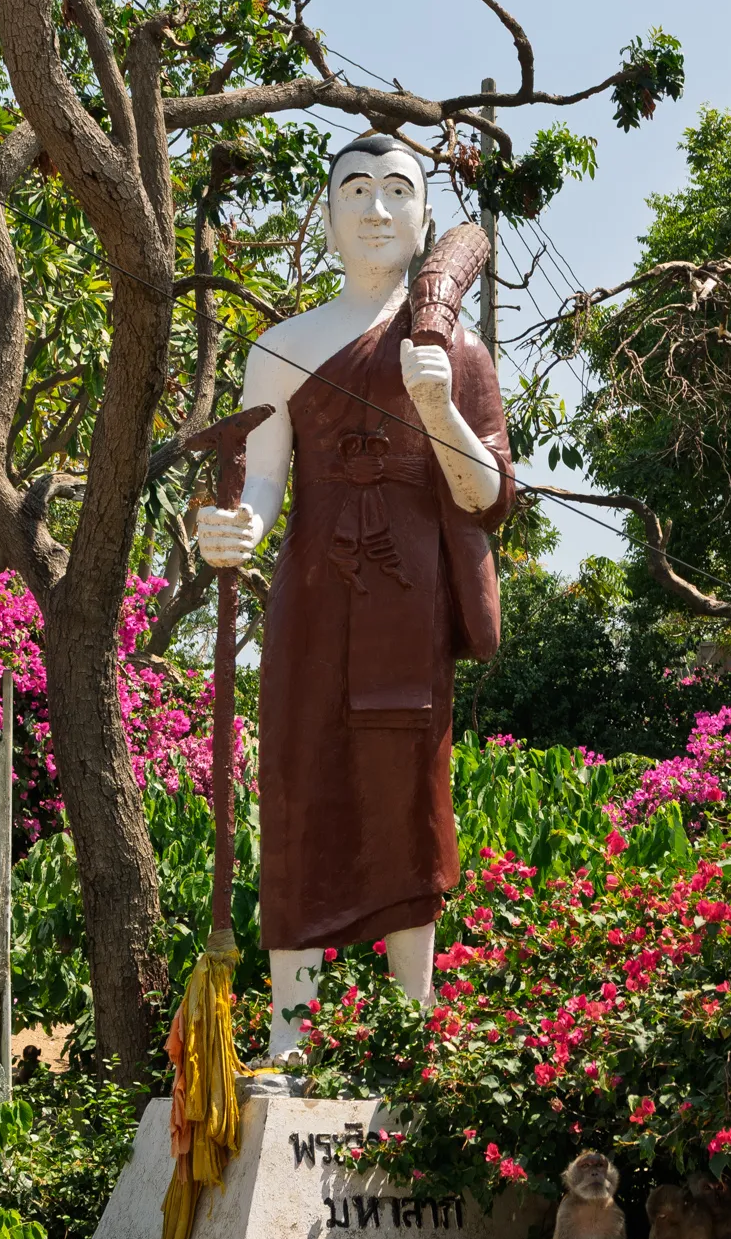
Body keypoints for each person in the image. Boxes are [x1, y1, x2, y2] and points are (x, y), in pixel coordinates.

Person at [196, 134, 513, 1061]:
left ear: (424, 216)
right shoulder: (282, 348)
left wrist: (438, 405)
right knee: (298, 782)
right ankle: (289, 1038)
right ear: (328, 214)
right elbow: (261, 486)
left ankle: (410, 1036)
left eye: (398, 192)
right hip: (312, 597)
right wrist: (236, 531)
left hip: (407, 604)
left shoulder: (456, 349)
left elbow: (487, 497)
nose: (376, 209)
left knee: (405, 795)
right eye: (356, 191)